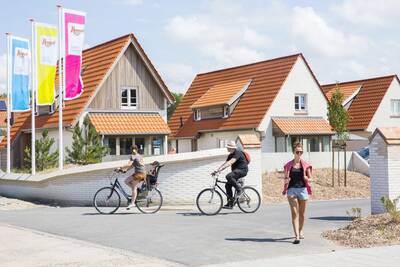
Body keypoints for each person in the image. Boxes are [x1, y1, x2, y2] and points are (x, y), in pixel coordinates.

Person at [282, 142, 313, 244]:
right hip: (291, 190)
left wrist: (306, 178)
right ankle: (297, 237)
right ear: (293, 152)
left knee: (302, 214)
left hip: (303, 190)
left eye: (301, 152)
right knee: (295, 213)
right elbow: (285, 178)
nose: (299, 153)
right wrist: (286, 180)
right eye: (297, 152)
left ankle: (300, 231)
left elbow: (310, 178)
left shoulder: (305, 165)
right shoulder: (288, 165)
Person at [214, 141, 249, 209]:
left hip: (242, 170)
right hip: (236, 171)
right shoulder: (230, 155)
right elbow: (225, 163)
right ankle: (230, 203)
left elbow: (230, 162)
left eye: (228, 147)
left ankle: (239, 190)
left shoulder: (237, 152)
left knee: (228, 176)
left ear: (232, 148)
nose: (227, 148)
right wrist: (217, 170)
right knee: (227, 185)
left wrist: (220, 169)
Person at [117, 145, 146, 210]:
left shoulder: (134, 156)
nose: (131, 151)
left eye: (132, 150)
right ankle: (136, 190)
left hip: (139, 174)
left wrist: (120, 167)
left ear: (134, 150)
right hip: (139, 173)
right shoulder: (139, 156)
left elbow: (129, 164)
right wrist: (125, 170)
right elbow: (132, 166)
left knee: (134, 187)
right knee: (126, 181)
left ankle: (132, 203)